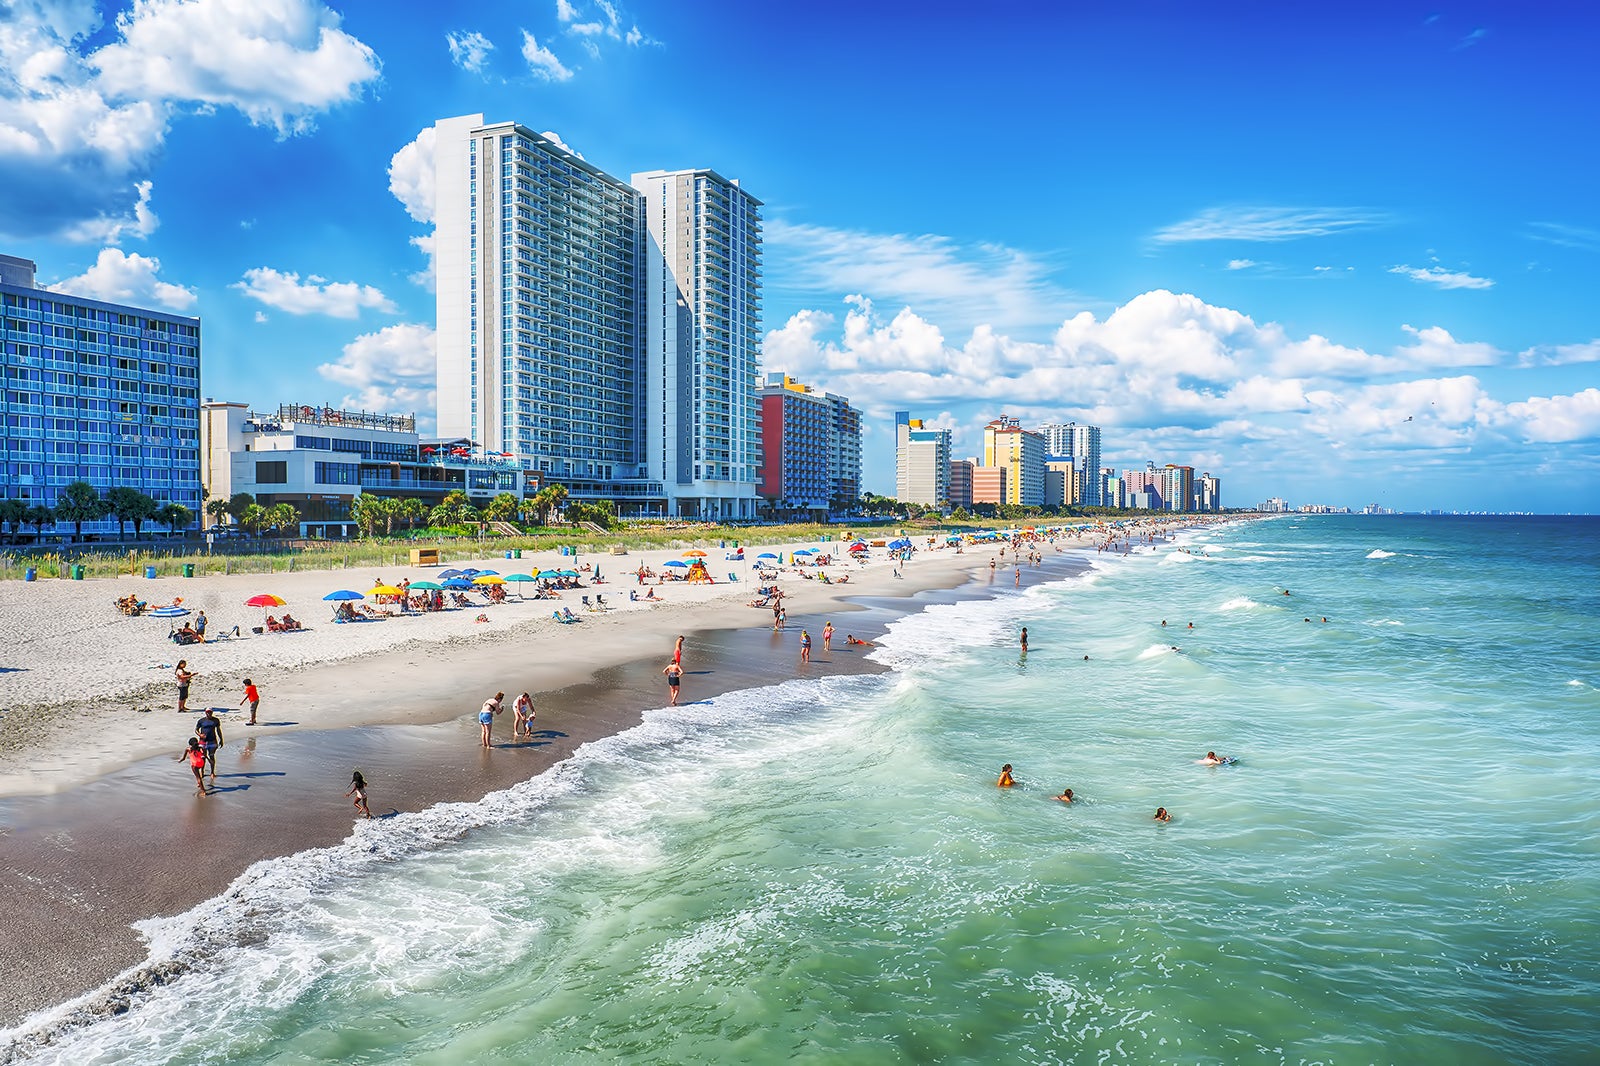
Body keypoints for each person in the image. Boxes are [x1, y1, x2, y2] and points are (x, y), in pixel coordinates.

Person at [193, 707, 223, 782]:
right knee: (203, 756)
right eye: (207, 712)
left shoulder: (216, 720)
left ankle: (212, 772)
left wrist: (221, 739)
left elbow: (218, 730)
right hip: (203, 741)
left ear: (212, 712)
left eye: (210, 712)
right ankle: (202, 772)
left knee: (211, 756)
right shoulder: (201, 721)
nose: (208, 713)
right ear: (205, 712)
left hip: (212, 741)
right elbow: (196, 730)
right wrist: (200, 735)